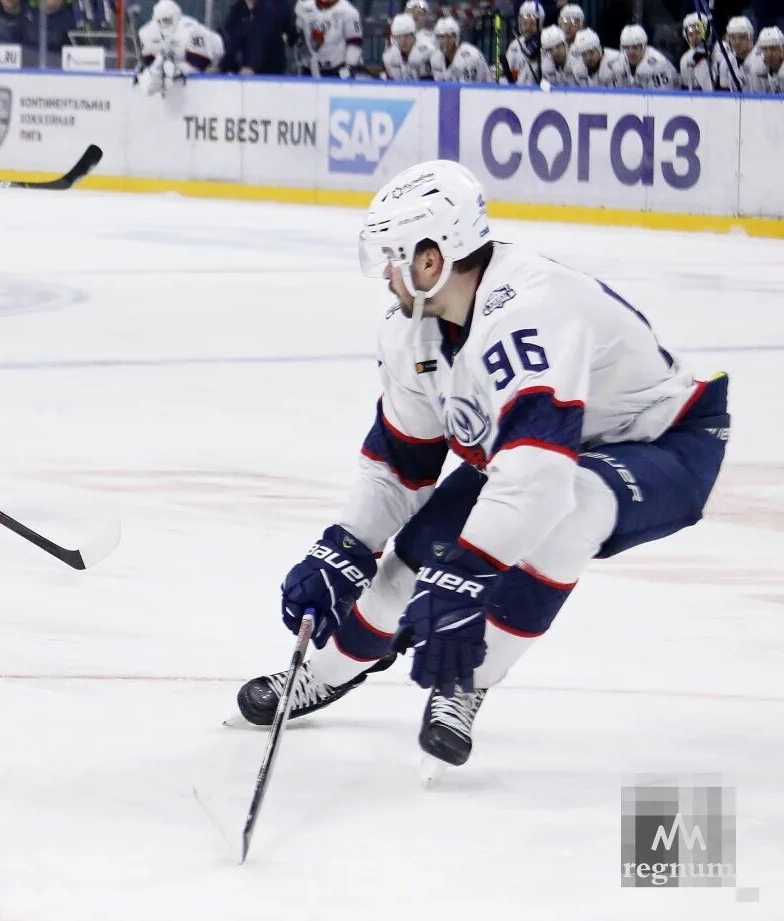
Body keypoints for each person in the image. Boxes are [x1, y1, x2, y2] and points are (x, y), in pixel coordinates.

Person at [235, 159, 729, 766]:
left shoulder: (530, 311)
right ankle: (324, 673)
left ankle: (465, 684)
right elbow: (401, 462)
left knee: (569, 511)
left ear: (432, 258)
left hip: (663, 442)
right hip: (538, 452)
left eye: (395, 256)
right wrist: (348, 545)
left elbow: (542, 482)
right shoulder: (414, 330)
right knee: (410, 568)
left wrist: (469, 573)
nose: (386, 273)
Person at [136, 0, 223, 95]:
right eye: (159, 21)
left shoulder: (191, 31)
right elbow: (147, 61)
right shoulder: (148, 32)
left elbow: (201, 64)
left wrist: (177, 70)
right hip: (177, 64)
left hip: (216, 55)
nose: (163, 24)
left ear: (177, 17)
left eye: (167, 20)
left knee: (168, 68)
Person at [293, 0, 363, 78]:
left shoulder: (349, 11)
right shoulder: (304, 7)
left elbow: (355, 43)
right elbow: (297, 38)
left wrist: (349, 67)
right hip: (309, 70)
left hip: (336, 71)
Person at [219, 0, 290, 76]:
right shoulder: (238, 10)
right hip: (249, 67)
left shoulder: (268, 10)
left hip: (271, 69)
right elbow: (233, 39)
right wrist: (221, 66)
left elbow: (261, 42)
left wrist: (252, 67)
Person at [429, 17, 492, 82]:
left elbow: (470, 90)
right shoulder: (435, 58)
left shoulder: (469, 57)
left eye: (448, 36)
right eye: (441, 36)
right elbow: (440, 86)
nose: (444, 41)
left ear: (456, 37)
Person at [616, 24, 678, 88]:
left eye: (635, 47)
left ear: (644, 46)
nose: (630, 52)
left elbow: (662, 96)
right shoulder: (618, 62)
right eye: (626, 47)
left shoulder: (658, 65)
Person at [501, 0, 542, 82]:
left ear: (540, 23)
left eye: (532, 23)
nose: (528, 27)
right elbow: (507, 73)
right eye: (525, 23)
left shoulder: (545, 44)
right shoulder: (514, 45)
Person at [382, 14, 433, 81]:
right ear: (394, 38)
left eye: (406, 36)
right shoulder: (388, 56)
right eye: (399, 36)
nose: (403, 41)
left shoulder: (428, 53)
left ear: (414, 36)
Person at [713, 15, 756, 91]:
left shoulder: (763, 62)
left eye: (742, 37)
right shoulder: (726, 64)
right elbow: (725, 97)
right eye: (733, 37)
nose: (737, 42)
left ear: (750, 38)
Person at [678, 12, 715, 91]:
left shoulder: (721, 53)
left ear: (707, 33)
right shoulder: (685, 59)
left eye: (698, 33)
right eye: (691, 34)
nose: (695, 37)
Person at [750, 26, 784, 92]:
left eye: (773, 49)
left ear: (782, 51)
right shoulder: (758, 72)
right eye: (765, 49)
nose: (769, 54)